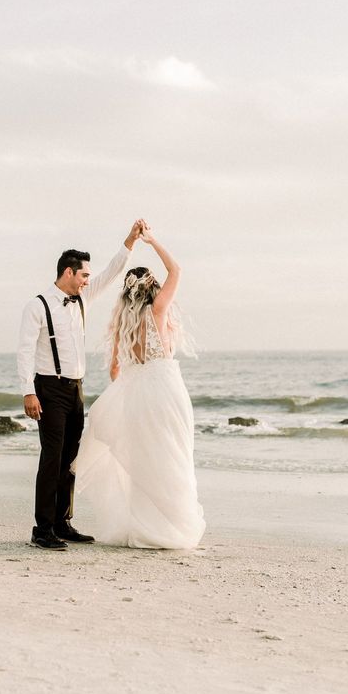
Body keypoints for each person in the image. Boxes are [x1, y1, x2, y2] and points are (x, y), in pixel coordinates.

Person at [74, 223, 205, 549]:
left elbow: (116, 370)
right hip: (165, 392)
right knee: (171, 458)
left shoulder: (122, 322)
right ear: (152, 288)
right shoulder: (158, 310)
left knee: (140, 462)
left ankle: (141, 528)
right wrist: (151, 240)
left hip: (135, 395)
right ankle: (171, 529)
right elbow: (177, 269)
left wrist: (126, 400)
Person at [17, 221, 144, 550]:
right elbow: (24, 352)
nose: (88, 279)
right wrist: (28, 392)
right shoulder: (38, 305)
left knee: (71, 457)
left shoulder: (83, 299)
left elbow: (113, 271)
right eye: (84, 275)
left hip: (76, 389)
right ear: (69, 272)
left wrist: (129, 241)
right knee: (52, 456)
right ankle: (42, 529)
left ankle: (64, 522)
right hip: (48, 388)